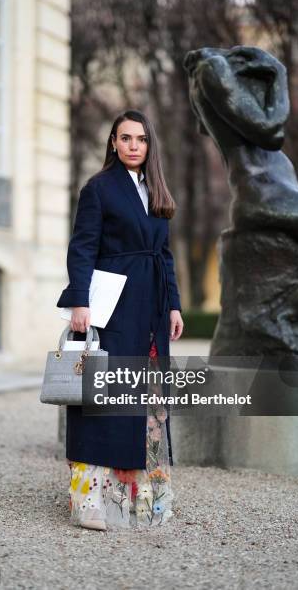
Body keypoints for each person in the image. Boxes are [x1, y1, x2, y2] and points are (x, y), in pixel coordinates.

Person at [56, 109, 183, 530]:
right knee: (103, 397)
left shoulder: (156, 190)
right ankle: (90, 502)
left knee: (147, 401)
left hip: (151, 308)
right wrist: (79, 301)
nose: (133, 146)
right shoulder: (99, 188)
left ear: (149, 146)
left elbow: (164, 255)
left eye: (141, 139)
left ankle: (141, 498)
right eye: (125, 138)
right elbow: (82, 248)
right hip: (112, 306)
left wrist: (175, 306)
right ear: (113, 142)